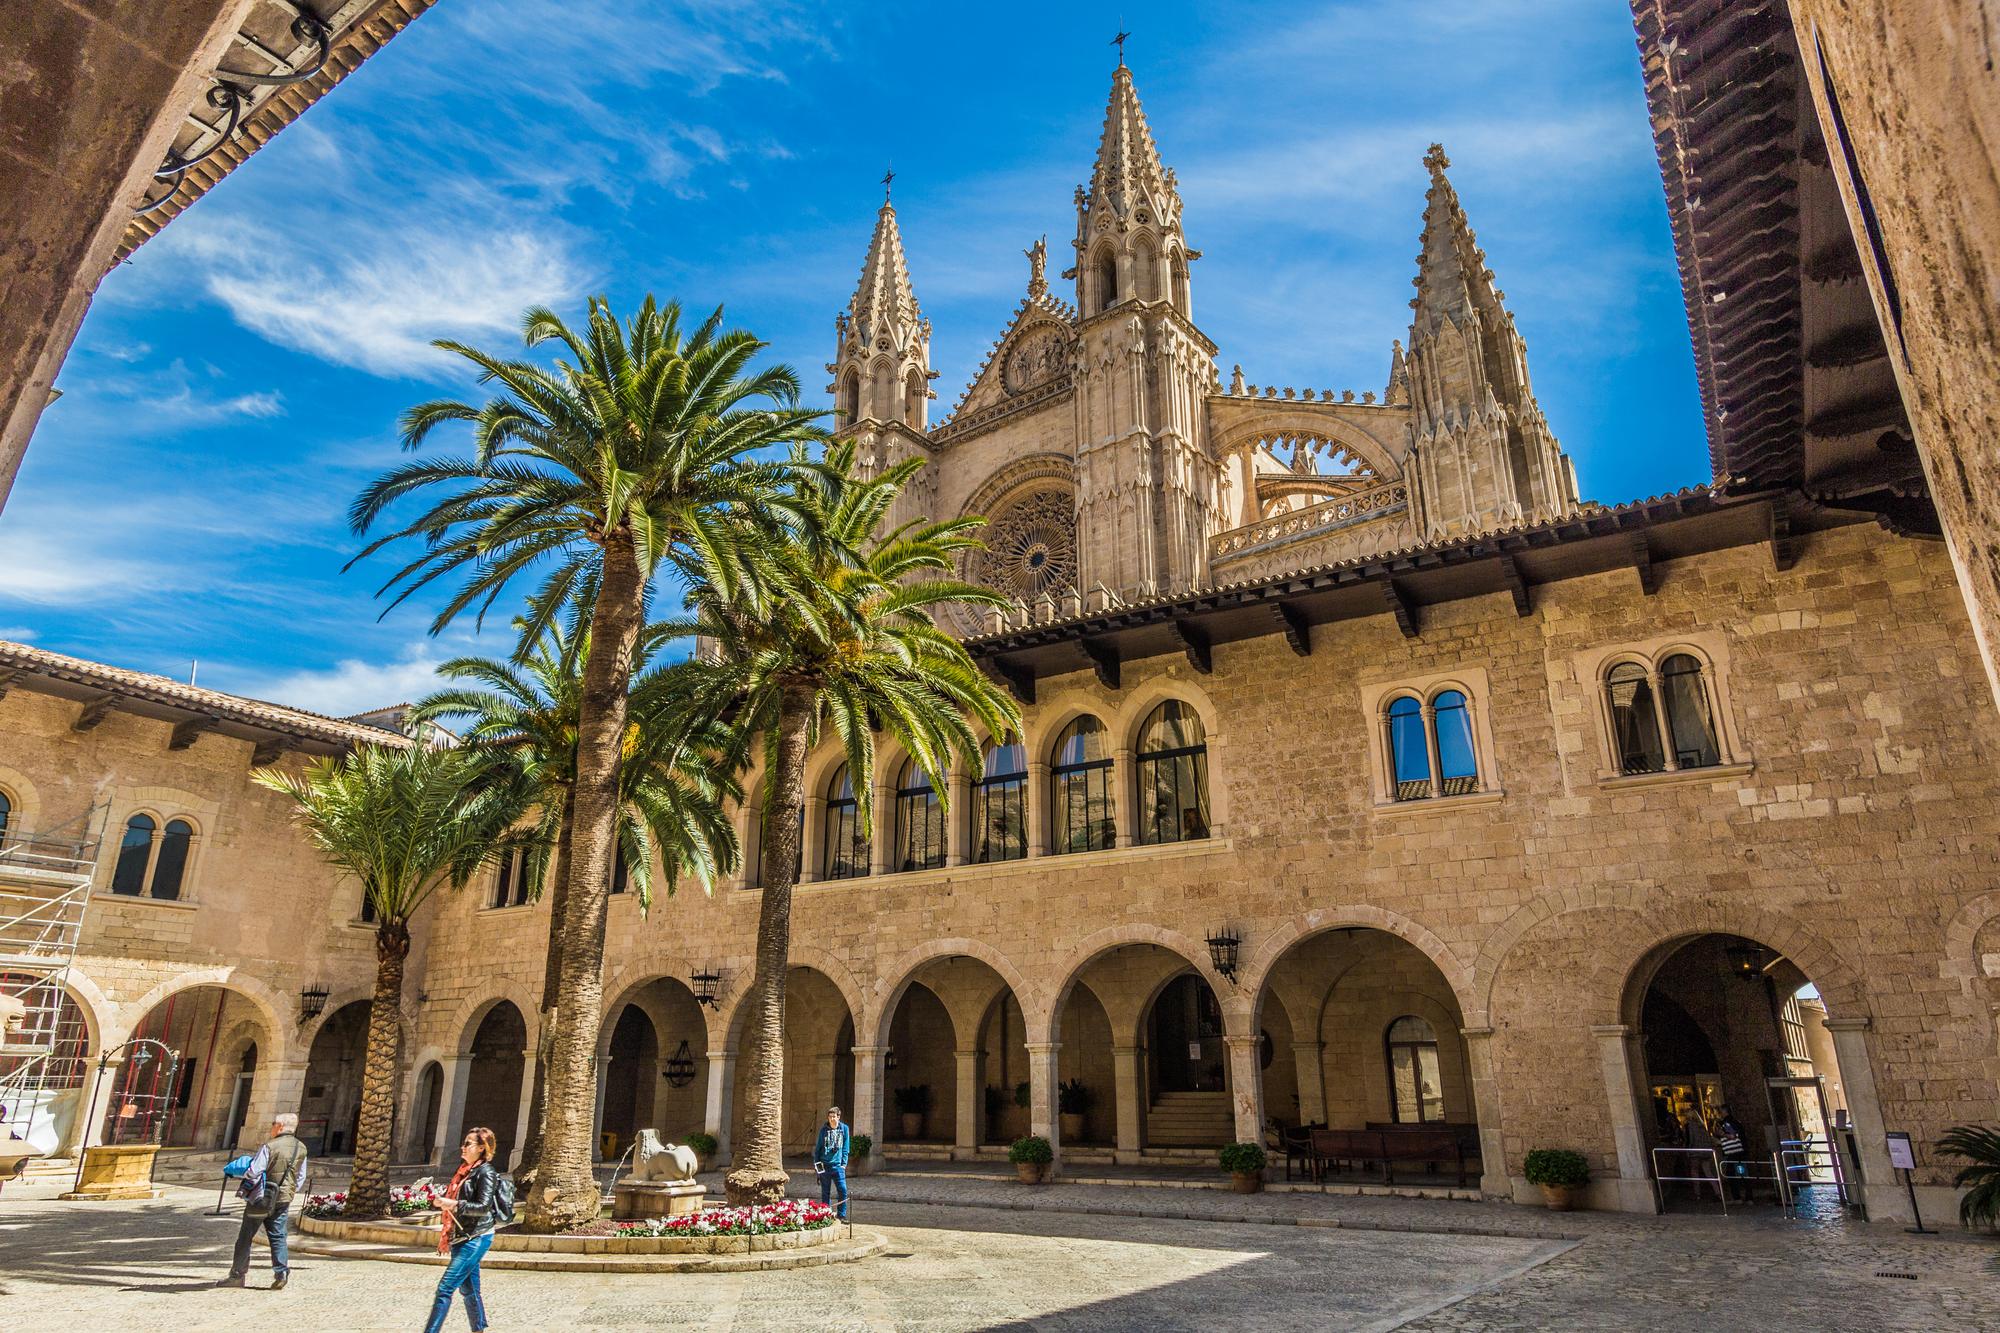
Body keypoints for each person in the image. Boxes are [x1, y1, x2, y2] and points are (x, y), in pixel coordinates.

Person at [219, 1112, 309, 1290]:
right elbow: (301, 1177)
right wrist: (288, 1191)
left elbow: (254, 1171)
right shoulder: (301, 1148)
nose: (272, 1127)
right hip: (283, 1198)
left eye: (273, 1124)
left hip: (261, 1197)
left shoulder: (270, 1146)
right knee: (278, 1236)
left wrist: (240, 1172)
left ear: (280, 1126)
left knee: (246, 1236)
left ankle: (237, 1275)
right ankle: (281, 1272)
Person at [425, 1127, 501, 1333]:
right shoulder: (464, 1171)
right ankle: (479, 1329)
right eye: (464, 1143)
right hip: (461, 1236)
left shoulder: (486, 1172)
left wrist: (455, 1204)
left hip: (476, 1236)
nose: (463, 1147)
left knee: (445, 1288)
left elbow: (483, 1206)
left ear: (481, 1148)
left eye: (468, 1144)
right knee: (469, 1289)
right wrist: (444, 1202)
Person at [813, 1105, 850, 1222]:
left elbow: (846, 1148)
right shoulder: (823, 1130)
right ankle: (826, 1215)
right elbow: (817, 1150)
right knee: (825, 1192)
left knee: (843, 1190)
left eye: (834, 1117)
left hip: (838, 1167)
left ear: (838, 1117)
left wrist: (843, 1164)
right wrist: (819, 1169)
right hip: (825, 1166)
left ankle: (841, 1215)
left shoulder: (844, 1129)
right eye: (830, 1117)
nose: (832, 1119)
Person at [1716, 1110, 1749, 1202]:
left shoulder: (1726, 1124)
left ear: (1724, 1112)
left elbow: (1732, 1136)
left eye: (1720, 1112)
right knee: (1741, 1173)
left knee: (1732, 1174)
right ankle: (1747, 1196)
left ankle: (1737, 1197)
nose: (1718, 1114)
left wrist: (1722, 1134)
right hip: (1739, 1151)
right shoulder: (1735, 1122)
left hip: (1733, 1152)